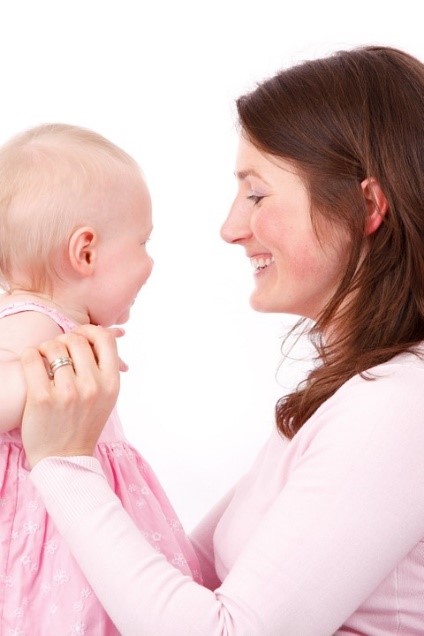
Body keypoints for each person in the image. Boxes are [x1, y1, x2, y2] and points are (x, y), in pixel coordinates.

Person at [18, 45, 424, 635]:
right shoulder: (354, 400)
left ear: (365, 205)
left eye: (257, 194)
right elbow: (189, 578)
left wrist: (62, 464)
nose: (231, 228)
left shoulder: (401, 405)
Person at [0, 124, 201, 635]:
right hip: (46, 543)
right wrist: (50, 373)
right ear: (85, 252)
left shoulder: (61, 326)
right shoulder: (32, 320)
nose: (149, 260)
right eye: (143, 241)